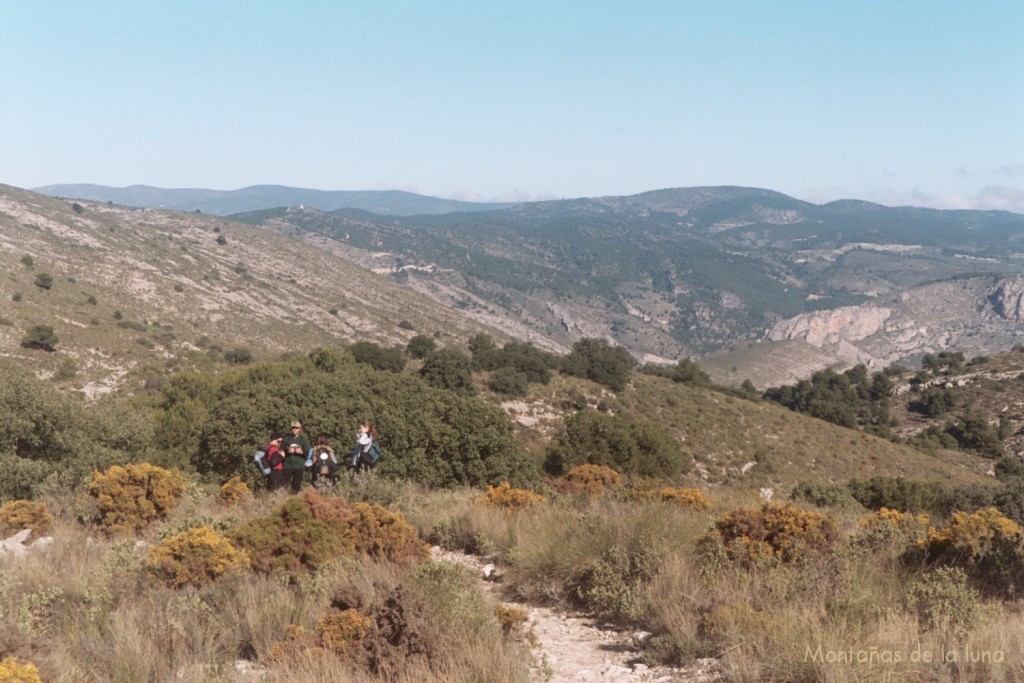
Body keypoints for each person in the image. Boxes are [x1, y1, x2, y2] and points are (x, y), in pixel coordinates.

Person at [281, 420, 311, 493]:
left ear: (299, 429)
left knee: (296, 486)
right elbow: (281, 451)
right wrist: (287, 451)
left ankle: (294, 500)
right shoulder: (286, 438)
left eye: (296, 428)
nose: (295, 429)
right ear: (291, 429)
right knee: (285, 485)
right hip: (287, 465)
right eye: (293, 428)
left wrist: (301, 452)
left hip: (299, 466)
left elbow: (307, 453)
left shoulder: (303, 439)